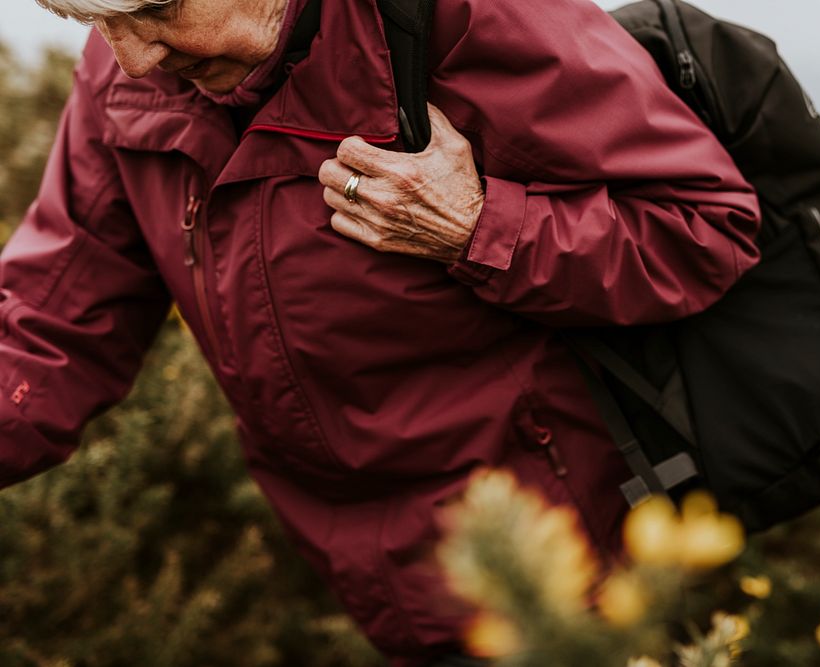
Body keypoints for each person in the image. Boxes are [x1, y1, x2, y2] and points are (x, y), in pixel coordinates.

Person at [3, 0, 760, 664]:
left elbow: (704, 227)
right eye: (96, 21)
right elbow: (50, 315)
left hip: (567, 570)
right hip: (378, 579)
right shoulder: (122, 79)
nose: (132, 56)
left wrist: (478, 228)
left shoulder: (462, 17)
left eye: (155, 10)